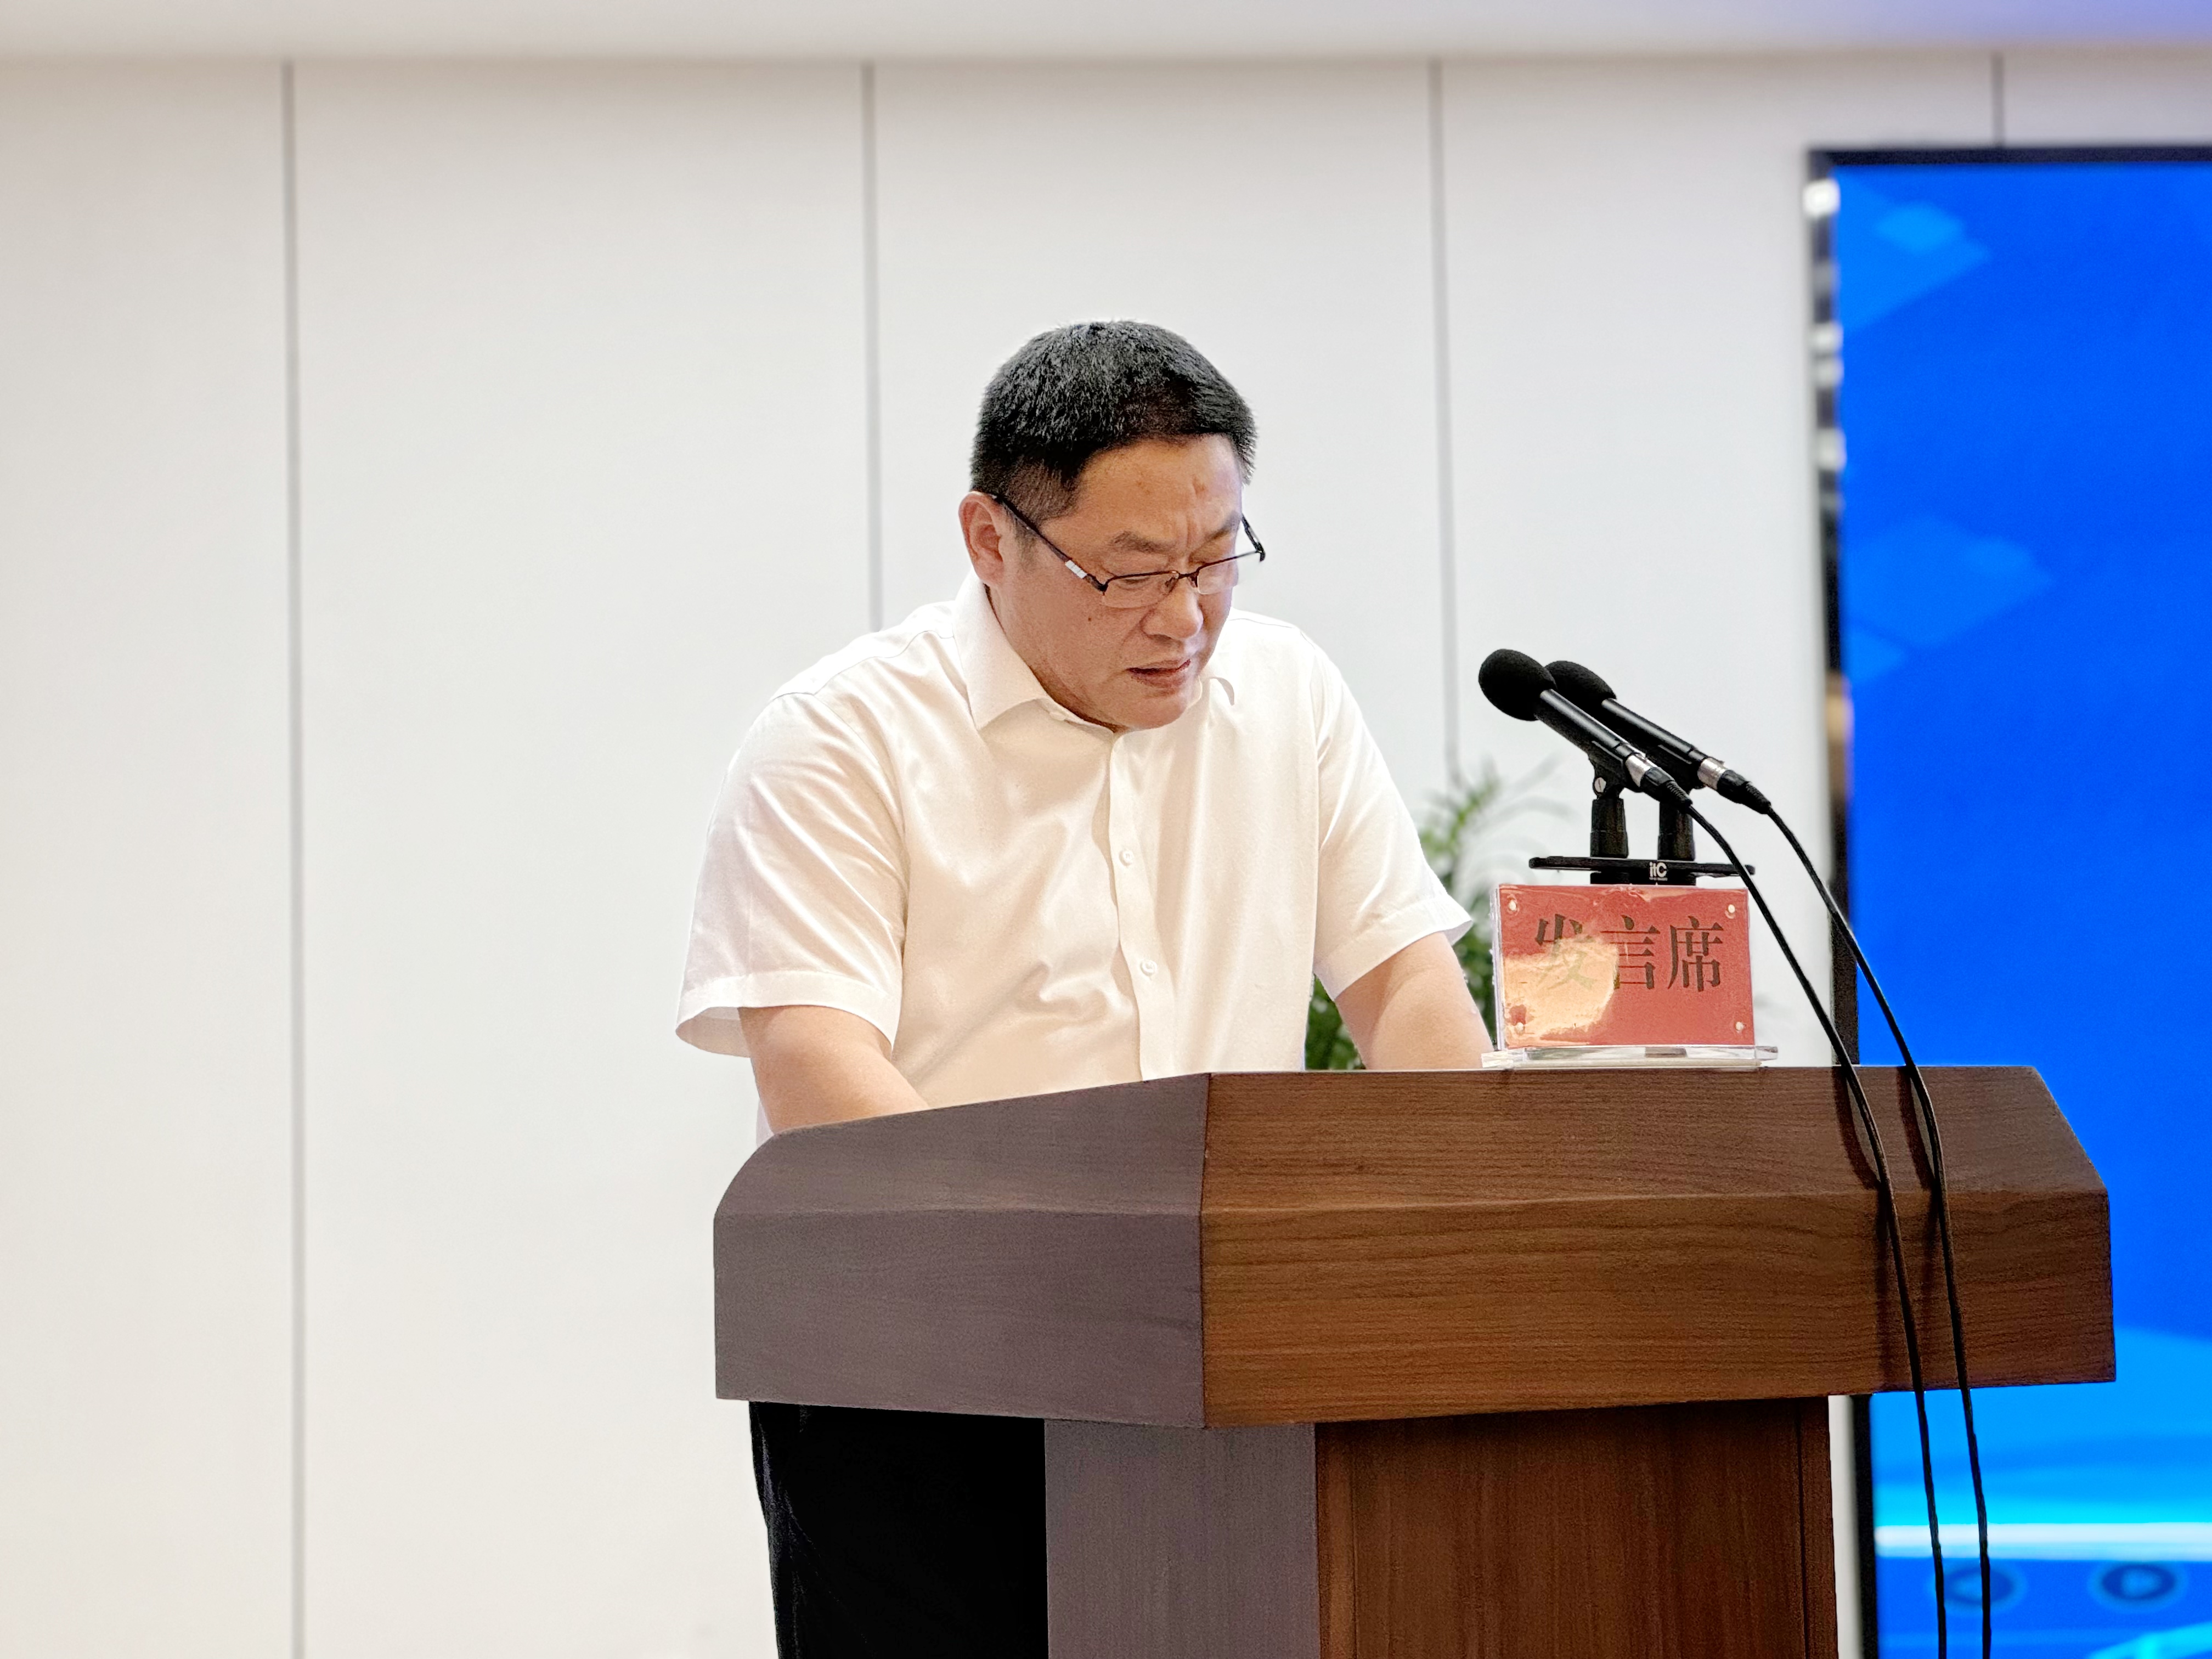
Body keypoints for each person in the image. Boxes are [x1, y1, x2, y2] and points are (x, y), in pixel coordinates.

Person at [677, 319, 1491, 1656]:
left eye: (1216, 557)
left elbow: (1405, 985)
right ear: (989, 539)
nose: (1185, 616)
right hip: (921, 1382)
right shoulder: (840, 736)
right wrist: (1081, 1290)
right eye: (1130, 573)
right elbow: (820, 1072)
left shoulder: (1288, 695)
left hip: (1231, 1365)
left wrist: (1475, 1230)